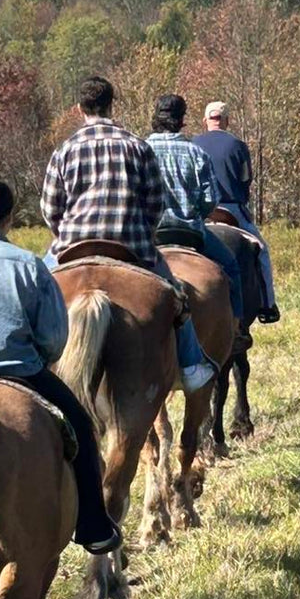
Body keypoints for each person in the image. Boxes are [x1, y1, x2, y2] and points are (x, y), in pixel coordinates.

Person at [0, 178, 122, 555]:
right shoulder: (29, 265)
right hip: (23, 373)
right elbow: (53, 338)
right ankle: (93, 523)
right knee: (80, 424)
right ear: (10, 217)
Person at [41, 76, 216, 394]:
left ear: (80, 109)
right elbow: (154, 205)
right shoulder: (138, 147)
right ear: (112, 105)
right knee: (178, 299)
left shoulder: (64, 150)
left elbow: (50, 207)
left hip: (71, 248)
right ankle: (191, 366)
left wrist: (65, 233)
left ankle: (29, 365)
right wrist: (142, 235)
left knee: (33, 296)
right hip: (131, 248)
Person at [146, 93, 244, 321]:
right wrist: (196, 212)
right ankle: (237, 326)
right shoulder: (196, 153)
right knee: (231, 266)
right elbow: (210, 200)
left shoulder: (141, 149)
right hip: (190, 233)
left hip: (151, 237)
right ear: (182, 120)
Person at [192, 101, 280, 323]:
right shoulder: (238, 145)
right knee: (261, 252)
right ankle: (267, 305)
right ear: (227, 120)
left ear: (205, 121)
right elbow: (245, 179)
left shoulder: (193, 144)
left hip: (199, 211)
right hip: (231, 208)